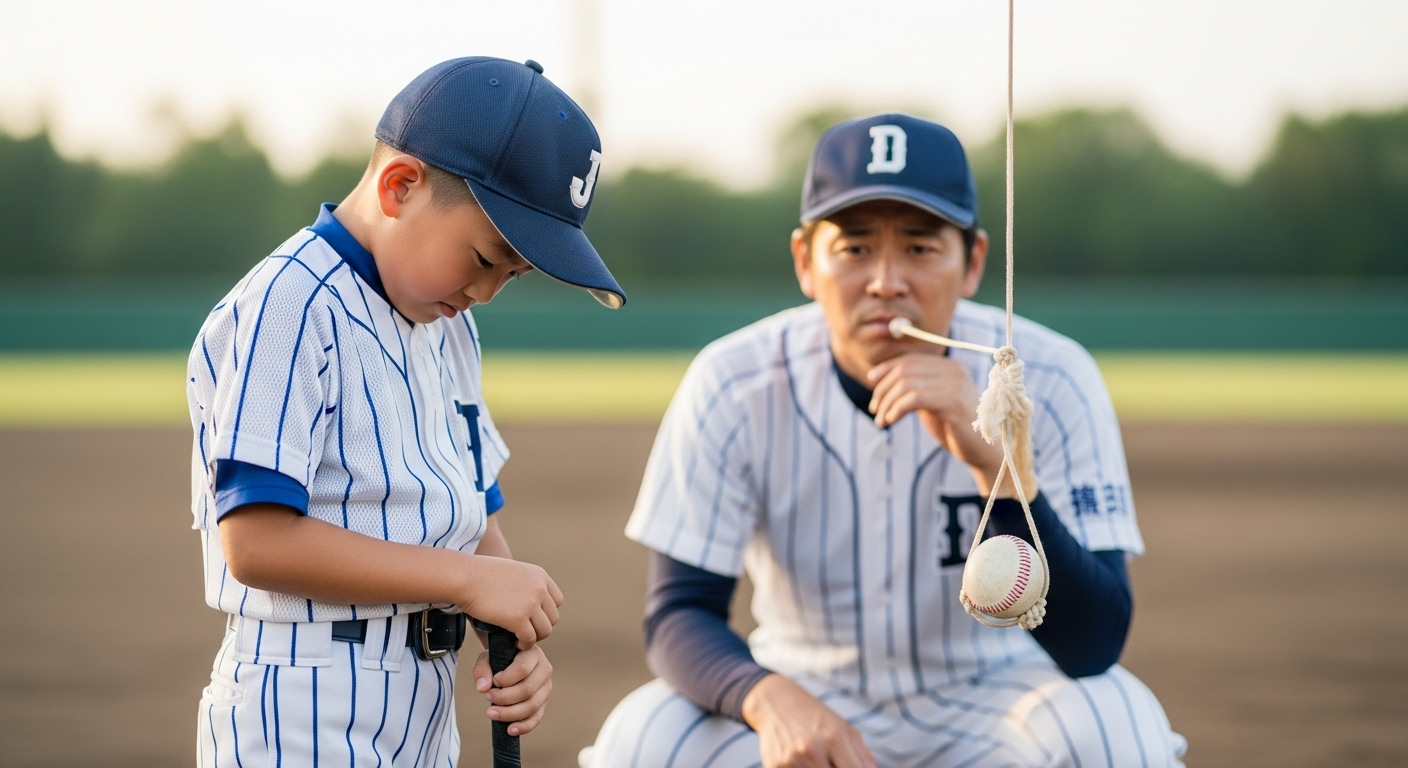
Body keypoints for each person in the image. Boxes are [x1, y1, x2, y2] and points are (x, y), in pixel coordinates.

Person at [581, 114, 1186, 768]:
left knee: (1116, 720)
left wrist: (1000, 473)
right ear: (805, 262)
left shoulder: (1049, 378)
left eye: (921, 248)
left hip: (1001, 697)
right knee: (645, 736)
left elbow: (1094, 644)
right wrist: (764, 696)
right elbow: (678, 613)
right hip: (805, 684)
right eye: (855, 248)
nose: (886, 282)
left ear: (974, 261)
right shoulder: (734, 381)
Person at [187, 56, 622, 766]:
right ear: (400, 187)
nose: (486, 292)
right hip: (301, 702)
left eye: (511, 277)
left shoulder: (451, 327)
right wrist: (468, 581)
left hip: (422, 702)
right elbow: (256, 543)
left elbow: (471, 516)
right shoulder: (289, 303)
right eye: (485, 257)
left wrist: (509, 631)